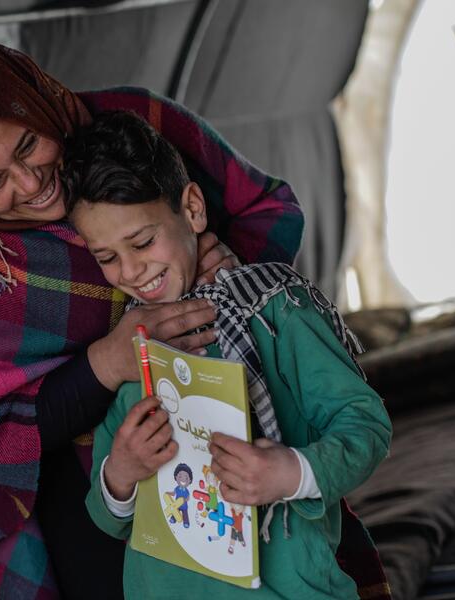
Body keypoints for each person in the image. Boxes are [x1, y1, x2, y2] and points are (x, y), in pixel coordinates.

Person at [0, 37, 307, 600]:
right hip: (88, 490)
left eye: (29, 145)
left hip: (236, 426)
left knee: (290, 572)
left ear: (34, 104)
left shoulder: (133, 125)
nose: (30, 183)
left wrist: (224, 260)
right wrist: (108, 362)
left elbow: (268, 206)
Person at [63, 110, 392, 599]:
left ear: (193, 209)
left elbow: (366, 426)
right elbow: (107, 517)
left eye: (143, 241)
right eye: (107, 258)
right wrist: (121, 473)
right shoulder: (136, 346)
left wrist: (290, 473)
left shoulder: (274, 310)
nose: (130, 270)